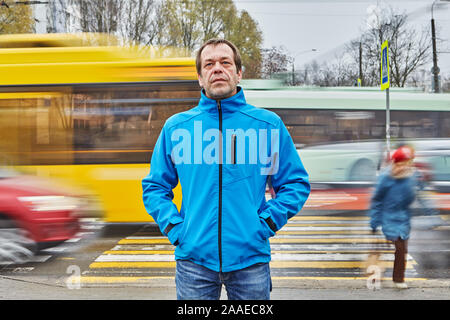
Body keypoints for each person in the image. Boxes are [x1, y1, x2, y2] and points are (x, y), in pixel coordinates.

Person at [142, 39, 310, 300]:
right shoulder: (177, 128)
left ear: (238, 73)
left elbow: (295, 184)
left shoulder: (267, 125)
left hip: (250, 261)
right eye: (208, 64)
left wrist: (266, 222)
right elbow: (155, 187)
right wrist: (175, 228)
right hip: (194, 262)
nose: (217, 69)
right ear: (200, 77)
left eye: (225, 62)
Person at [369, 145, 418, 289]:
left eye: (407, 163)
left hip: (403, 220)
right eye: (401, 164)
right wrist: (374, 223)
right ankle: (381, 276)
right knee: (398, 248)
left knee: (402, 250)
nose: (404, 167)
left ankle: (398, 279)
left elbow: (413, 197)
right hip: (388, 219)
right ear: (395, 163)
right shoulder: (386, 177)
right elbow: (377, 200)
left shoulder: (411, 176)